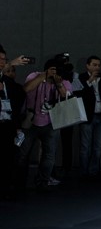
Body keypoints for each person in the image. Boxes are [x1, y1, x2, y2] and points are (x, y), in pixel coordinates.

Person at [16, 58, 72, 192]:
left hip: (52, 122)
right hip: (30, 121)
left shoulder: (64, 80)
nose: (56, 73)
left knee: (49, 155)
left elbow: (66, 99)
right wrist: (43, 76)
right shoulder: (34, 76)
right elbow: (26, 89)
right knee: (22, 154)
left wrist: (58, 83)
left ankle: (43, 182)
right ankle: (18, 182)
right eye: (53, 69)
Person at [0, 46, 29, 197]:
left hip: (8, 123)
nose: (2, 62)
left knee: (8, 157)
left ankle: (6, 187)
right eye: (0, 59)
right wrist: (11, 63)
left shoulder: (8, 82)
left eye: (4, 59)